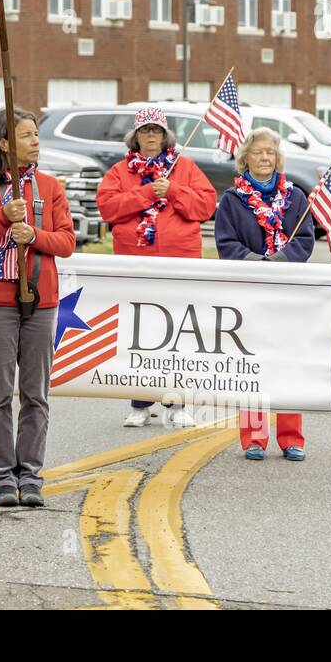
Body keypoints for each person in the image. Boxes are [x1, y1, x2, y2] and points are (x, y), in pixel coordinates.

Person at [0, 108, 75, 508]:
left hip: (41, 301)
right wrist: (2, 218)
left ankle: (30, 474)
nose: (35, 141)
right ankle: (1, 476)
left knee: (35, 393)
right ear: (4, 144)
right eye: (26, 135)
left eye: (36, 135)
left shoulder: (49, 186)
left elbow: (66, 242)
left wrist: (36, 234)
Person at [96, 106, 217, 428]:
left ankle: (177, 403)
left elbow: (205, 206)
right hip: (136, 264)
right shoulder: (120, 171)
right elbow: (109, 208)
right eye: (145, 131)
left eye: (156, 131)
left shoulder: (185, 167)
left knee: (178, 332)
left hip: (180, 264)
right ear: (135, 137)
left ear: (166, 137)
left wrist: (173, 190)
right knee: (140, 332)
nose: (150, 136)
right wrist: (148, 192)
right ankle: (139, 403)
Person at [214, 127, 314, 461]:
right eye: (258, 152)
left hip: (288, 292)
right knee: (252, 364)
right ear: (245, 157)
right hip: (250, 291)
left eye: (270, 151)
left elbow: (305, 240)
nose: (265, 157)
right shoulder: (232, 200)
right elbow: (226, 243)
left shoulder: (296, 197)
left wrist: (280, 261)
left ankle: (291, 438)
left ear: (278, 157)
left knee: (288, 363)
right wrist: (258, 263)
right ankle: (254, 437)